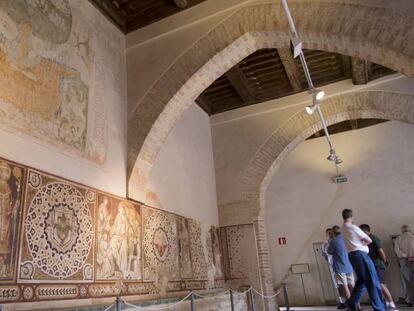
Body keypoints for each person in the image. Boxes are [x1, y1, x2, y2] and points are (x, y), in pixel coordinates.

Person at [341, 209, 385, 311]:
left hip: (352, 256)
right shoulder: (352, 227)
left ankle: (351, 303)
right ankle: (379, 307)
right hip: (361, 255)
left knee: (362, 281)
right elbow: (369, 240)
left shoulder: (343, 228)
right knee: (372, 280)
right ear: (352, 217)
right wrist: (362, 244)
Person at [360, 224, 398, 311]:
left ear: (365, 231)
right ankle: (388, 304)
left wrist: (385, 261)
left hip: (378, 265)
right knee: (380, 284)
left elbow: (380, 251)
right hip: (374, 265)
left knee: (380, 284)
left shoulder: (373, 238)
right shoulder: (366, 240)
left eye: (361, 231)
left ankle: (392, 305)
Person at [328, 225, 355, 309]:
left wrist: (330, 242)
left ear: (333, 232)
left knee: (345, 287)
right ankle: (357, 305)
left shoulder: (334, 241)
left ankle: (350, 306)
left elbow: (329, 251)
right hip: (349, 266)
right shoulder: (346, 238)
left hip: (340, 267)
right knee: (352, 286)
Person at [394, 225, 414, 306]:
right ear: (410, 230)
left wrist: (406, 256)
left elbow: (397, 251)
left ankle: (410, 300)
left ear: (402, 231)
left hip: (404, 261)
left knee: (407, 281)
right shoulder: (413, 237)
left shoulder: (398, 239)